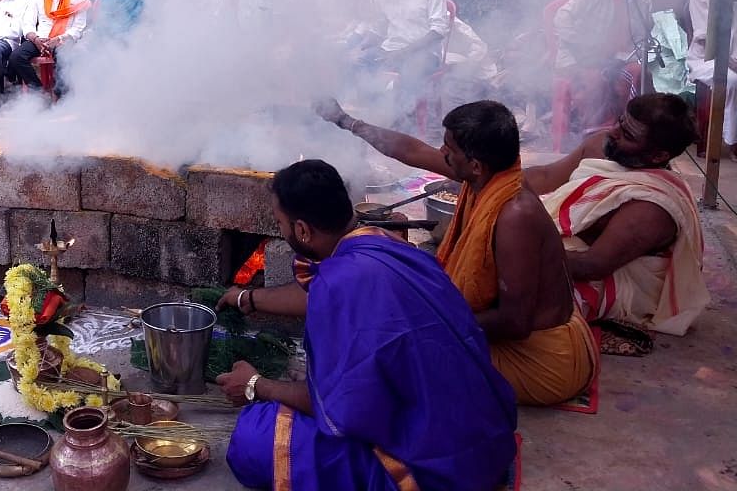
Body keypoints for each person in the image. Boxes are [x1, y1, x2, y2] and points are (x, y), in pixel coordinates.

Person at [218, 159, 517, 491]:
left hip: (439, 470)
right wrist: (247, 297)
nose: (282, 231)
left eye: (281, 223)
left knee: (252, 437)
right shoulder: (394, 247)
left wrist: (257, 384)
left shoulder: (338, 284)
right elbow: (320, 298)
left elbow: (342, 412)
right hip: (488, 440)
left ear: (302, 230)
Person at [319, 98, 595, 405]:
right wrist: (345, 120)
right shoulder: (488, 176)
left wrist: (428, 321)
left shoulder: (515, 215)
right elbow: (412, 151)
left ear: (475, 164)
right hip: (532, 344)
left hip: (542, 363)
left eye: (448, 148)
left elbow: (516, 323)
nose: (440, 153)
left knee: (387, 358)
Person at [526, 93, 708, 335]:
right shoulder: (602, 144)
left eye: (628, 135)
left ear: (658, 156)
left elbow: (593, 266)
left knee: (512, 297)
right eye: (620, 122)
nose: (613, 133)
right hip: (568, 252)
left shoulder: (650, 209)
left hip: (617, 280)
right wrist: (491, 183)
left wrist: (512, 255)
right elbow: (547, 177)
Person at [552, 0, 652, 136]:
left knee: (638, 72)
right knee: (595, 78)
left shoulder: (643, 2)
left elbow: (641, 40)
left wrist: (623, 55)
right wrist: (584, 46)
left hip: (617, 61)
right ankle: (597, 135)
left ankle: (626, 130)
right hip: (580, 57)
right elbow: (562, 17)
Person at [351, 0, 451, 113]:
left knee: (409, 74)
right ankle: (374, 113)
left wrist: (404, 52)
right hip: (390, 50)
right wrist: (359, 48)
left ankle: (404, 123)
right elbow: (378, 29)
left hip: (425, 54)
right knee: (358, 63)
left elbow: (438, 31)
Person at [6, 0, 89, 95]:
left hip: (63, 40)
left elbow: (79, 28)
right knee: (16, 57)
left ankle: (62, 97)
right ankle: (40, 92)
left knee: (64, 57)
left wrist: (59, 39)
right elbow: (28, 23)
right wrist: (36, 39)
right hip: (40, 39)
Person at [685, 0, 736, 157]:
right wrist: (730, 62)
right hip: (708, 59)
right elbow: (706, 38)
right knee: (732, 80)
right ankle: (733, 140)